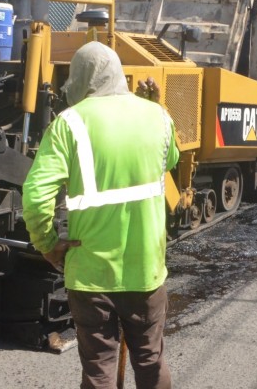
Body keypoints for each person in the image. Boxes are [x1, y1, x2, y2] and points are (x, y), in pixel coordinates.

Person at [22, 41, 179, 389]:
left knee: (99, 370)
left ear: (81, 78)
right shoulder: (158, 116)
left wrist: (47, 243)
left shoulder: (69, 123)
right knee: (151, 360)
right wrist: (154, 106)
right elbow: (170, 162)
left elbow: (35, 196)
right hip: (145, 270)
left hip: (90, 274)